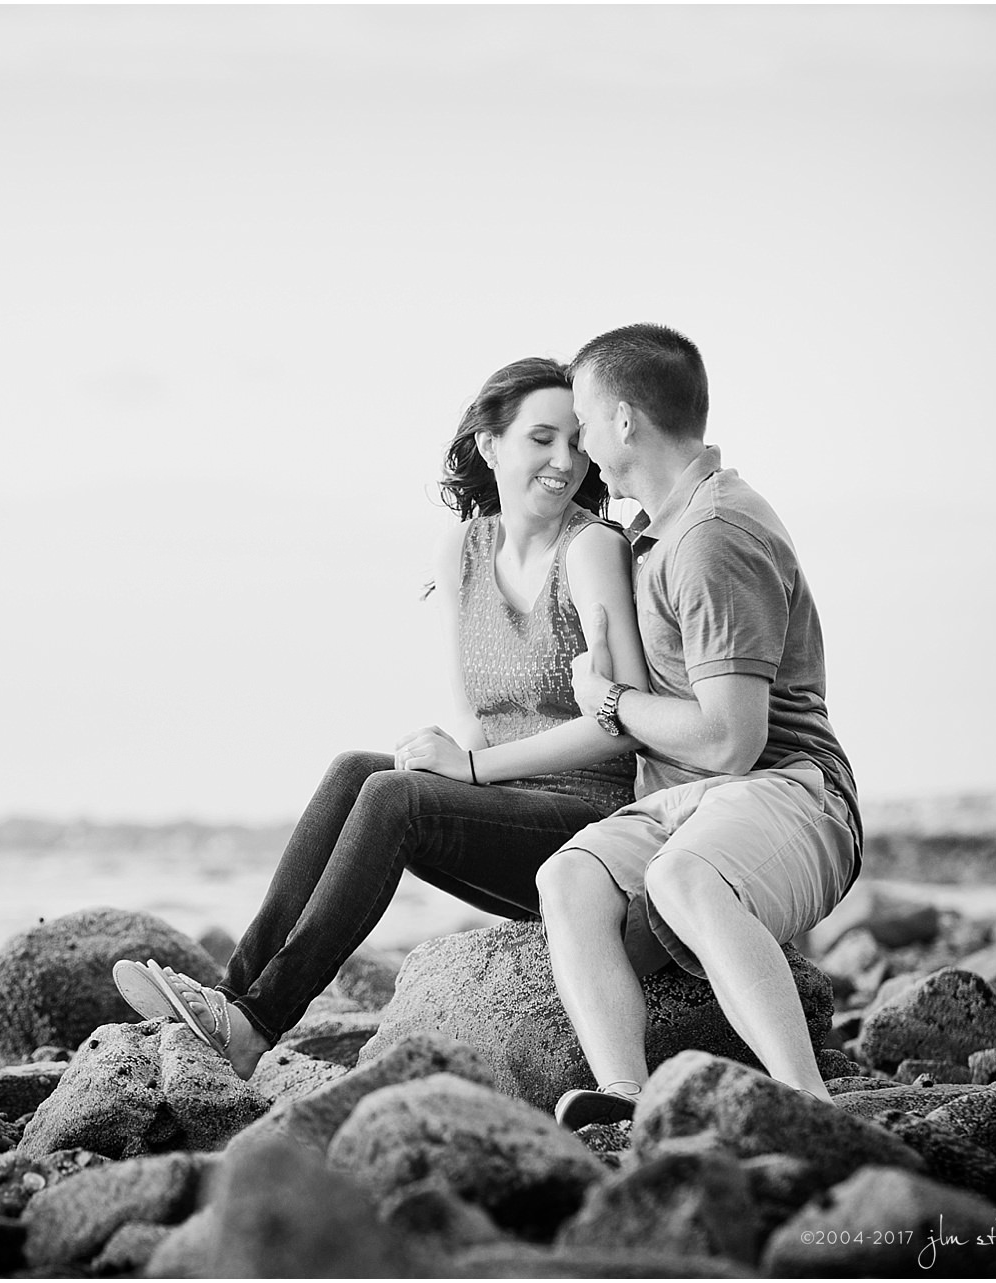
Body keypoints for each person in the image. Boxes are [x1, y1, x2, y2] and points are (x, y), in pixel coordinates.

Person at [113, 355, 649, 1079]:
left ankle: (255, 1023)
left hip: (591, 826)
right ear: (490, 446)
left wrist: (469, 773)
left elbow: (619, 721)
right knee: (355, 771)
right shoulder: (464, 547)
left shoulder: (591, 549)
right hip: (512, 807)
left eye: (576, 441)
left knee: (395, 796)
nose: (564, 460)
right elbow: (473, 714)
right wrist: (464, 771)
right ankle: (232, 995)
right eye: (541, 438)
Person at [535, 323, 862, 1129]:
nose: (579, 445)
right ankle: (627, 1097)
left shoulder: (713, 536)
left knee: (685, 879)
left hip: (791, 790)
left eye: (581, 421)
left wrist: (608, 702)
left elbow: (731, 740)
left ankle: (805, 1102)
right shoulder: (658, 533)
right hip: (696, 801)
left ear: (621, 420)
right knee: (566, 879)